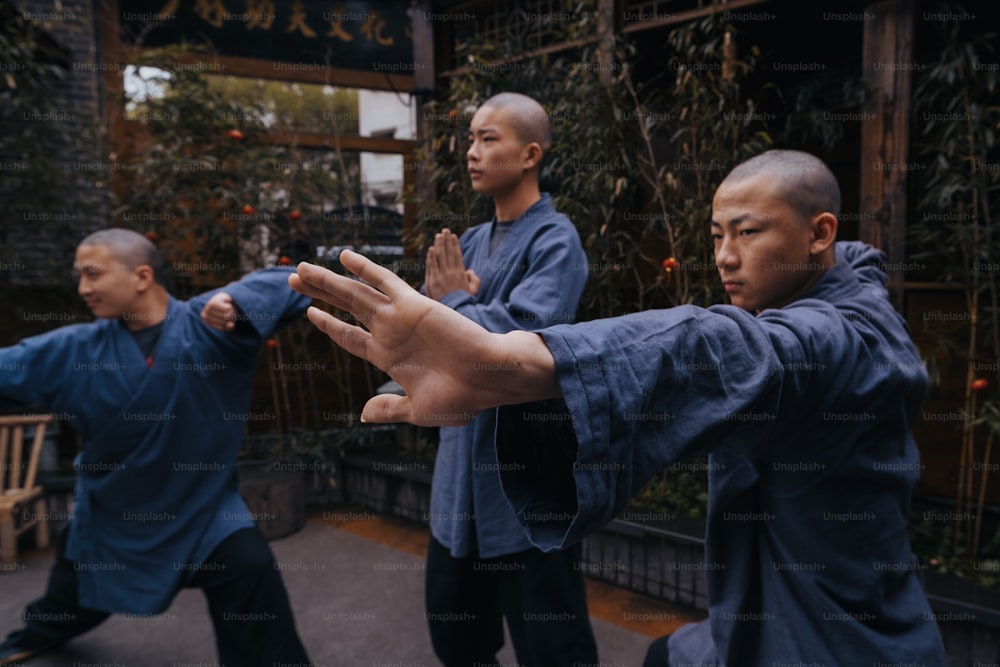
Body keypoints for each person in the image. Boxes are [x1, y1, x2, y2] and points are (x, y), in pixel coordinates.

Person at [290, 150, 949, 666]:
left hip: (837, 640)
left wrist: (501, 356)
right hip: (746, 617)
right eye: (716, 232)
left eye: (747, 232)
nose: (724, 255)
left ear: (820, 233)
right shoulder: (805, 303)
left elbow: (721, 349)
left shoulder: (851, 337)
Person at [0, 229, 313, 666]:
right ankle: (41, 631)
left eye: (92, 274)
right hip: (114, 508)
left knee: (249, 568)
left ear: (142, 276)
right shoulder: (74, 348)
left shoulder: (212, 325)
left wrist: (238, 303)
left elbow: (291, 281)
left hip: (204, 508)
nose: (82, 288)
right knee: (73, 585)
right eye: (79, 277)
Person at [421, 92, 597, 666]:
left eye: (487, 138)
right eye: (470, 139)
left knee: (552, 649)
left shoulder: (556, 241)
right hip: (457, 488)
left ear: (530, 154)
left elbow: (516, 342)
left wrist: (452, 303)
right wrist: (453, 314)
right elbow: (434, 340)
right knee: (457, 641)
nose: (471, 152)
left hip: (527, 490)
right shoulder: (468, 243)